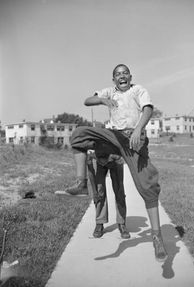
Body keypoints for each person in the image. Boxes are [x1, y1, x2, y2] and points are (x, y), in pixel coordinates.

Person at [65, 64, 168, 262]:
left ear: (130, 76)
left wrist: (138, 129)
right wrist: (103, 100)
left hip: (133, 139)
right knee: (78, 135)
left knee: (147, 187)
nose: (121, 76)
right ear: (114, 80)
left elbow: (147, 109)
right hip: (113, 136)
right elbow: (87, 101)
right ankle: (81, 184)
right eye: (117, 74)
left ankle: (157, 237)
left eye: (124, 73)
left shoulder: (138, 90)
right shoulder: (109, 92)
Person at [87, 148, 130, 239]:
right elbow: (91, 175)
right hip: (98, 153)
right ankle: (99, 222)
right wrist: (95, 192)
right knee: (99, 191)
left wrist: (116, 156)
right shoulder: (91, 155)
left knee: (119, 191)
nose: (104, 163)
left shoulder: (117, 157)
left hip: (114, 155)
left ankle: (121, 222)